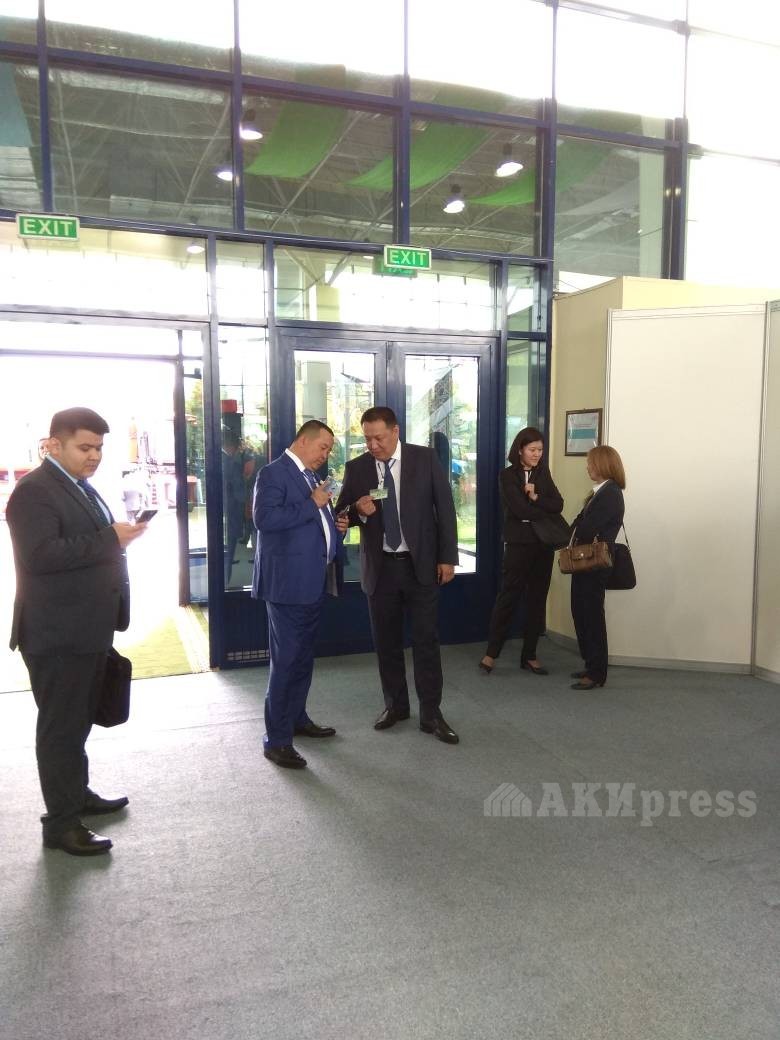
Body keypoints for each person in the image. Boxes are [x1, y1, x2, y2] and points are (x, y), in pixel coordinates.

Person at [6, 407, 148, 856]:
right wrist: (111, 539)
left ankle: (76, 795)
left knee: (77, 722)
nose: (94, 456)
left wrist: (118, 536)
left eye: (99, 448)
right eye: (85, 447)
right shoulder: (34, 491)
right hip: (57, 634)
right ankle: (62, 824)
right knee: (61, 730)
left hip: (85, 628)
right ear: (54, 444)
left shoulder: (78, 486)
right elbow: (40, 556)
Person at [335, 406, 460, 744]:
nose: (373, 445)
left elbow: (445, 509)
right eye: (367, 439)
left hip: (420, 566)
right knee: (386, 643)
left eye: (378, 438)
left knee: (426, 642)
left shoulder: (424, 459)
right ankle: (396, 706)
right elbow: (341, 513)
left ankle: (431, 714)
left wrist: (448, 558)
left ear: (395, 431)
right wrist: (356, 510)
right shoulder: (358, 468)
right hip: (381, 569)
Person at [251, 420, 348, 769]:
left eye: (329, 449)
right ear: (303, 441)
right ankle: (276, 740)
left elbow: (314, 521)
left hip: (313, 581)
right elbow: (264, 519)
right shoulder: (273, 474)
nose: (326, 454)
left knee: (303, 658)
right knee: (287, 661)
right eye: (323, 447)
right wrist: (314, 503)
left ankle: (296, 719)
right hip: (287, 586)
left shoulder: (310, 476)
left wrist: (336, 526)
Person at [479, 427, 565, 677]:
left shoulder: (543, 473)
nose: (537, 454)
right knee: (508, 597)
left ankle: (530, 655)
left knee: (537, 599)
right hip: (518, 544)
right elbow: (519, 511)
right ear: (520, 450)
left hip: (543, 544)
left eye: (540, 450)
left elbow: (558, 504)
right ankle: (491, 653)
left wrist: (536, 497)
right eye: (532, 450)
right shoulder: (507, 475)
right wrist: (542, 510)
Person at [569, 445, 626, 691]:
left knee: (591, 616)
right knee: (581, 612)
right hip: (585, 563)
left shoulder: (610, 493)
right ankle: (590, 663)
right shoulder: (600, 491)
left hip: (594, 564)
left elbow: (586, 528)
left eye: (591, 463)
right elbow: (580, 523)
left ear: (603, 465)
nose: (588, 467)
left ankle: (596, 673)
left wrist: (574, 529)